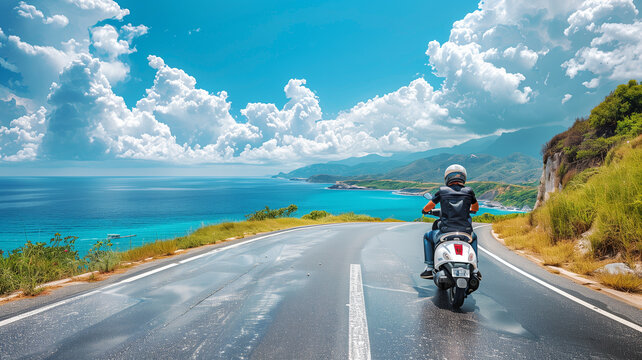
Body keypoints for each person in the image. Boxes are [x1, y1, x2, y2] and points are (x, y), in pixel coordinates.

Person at [420, 164, 479, 279]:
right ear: (463, 178)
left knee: (427, 236)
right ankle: (475, 269)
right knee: (474, 237)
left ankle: (430, 267)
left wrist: (425, 211)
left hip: (445, 231)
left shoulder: (442, 191)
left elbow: (427, 207)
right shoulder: (469, 191)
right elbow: (476, 208)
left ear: (447, 178)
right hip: (465, 233)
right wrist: (470, 210)